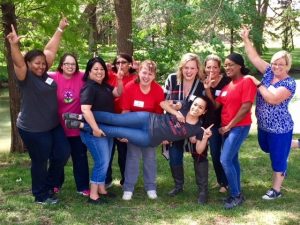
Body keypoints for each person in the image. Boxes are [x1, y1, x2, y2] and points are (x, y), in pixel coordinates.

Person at [6, 17, 70, 204]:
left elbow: (50, 50)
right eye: (36, 63)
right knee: (40, 161)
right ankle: (41, 195)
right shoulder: (25, 76)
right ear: (28, 64)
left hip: (52, 125)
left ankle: (50, 184)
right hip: (33, 129)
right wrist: (14, 45)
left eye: (43, 63)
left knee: (63, 152)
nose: (41, 66)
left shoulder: (44, 73)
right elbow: (18, 62)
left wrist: (59, 28)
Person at [241, 26, 296, 200]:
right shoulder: (268, 72)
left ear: (287, 66)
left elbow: (272, 99)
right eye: (274, 63)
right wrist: (245, 38)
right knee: (266, 148)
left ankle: (276, 190)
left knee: (278, 159)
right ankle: (295, 143)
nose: (277, 66)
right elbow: (254, 57)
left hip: (280, 127)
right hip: (263, 125)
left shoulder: (289, 83)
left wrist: (256, 83)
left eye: (281, 64)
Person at [64, 96, 213, 151]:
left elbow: (199, 150)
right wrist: (175, 112)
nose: (195, 108)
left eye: (200, 107)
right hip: (147, 119)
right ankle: (81, 116)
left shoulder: (197, 129)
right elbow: (163, 103)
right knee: (115, 119)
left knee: (116, 131)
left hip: (148, 138)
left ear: (204, 112)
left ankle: (82, 126)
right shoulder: (184, 105)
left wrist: (205, 137)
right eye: (195, 104)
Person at [205, 52, 256, 209]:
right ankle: (237, 191)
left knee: (225, 159)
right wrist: (207, 90)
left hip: (238, 127)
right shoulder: (228, 86)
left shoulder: (246, 82)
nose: (227, 68)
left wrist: (229, 126)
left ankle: (235, 195)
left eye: (230, 65)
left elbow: (246, 107)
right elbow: (215, 106)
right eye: (226, 65)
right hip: (226, 128)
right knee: (232, 160)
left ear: (240, 66)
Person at [79, 56, 123, 204]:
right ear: (89, 71)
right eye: (95, 69)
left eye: (101, 69)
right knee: (102, 161)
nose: (99, 71)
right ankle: (93, 195)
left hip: (107, 130)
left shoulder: (103, 85)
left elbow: (118, 93)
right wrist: (95, 129)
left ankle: (102, 189)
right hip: (94, 132)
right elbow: (85, 110)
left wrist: (120, 78)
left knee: (106, 159)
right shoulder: (89, 87)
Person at [120, 60, 164, 201]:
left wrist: (157, 134)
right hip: (133, 127)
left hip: (150, 128)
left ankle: (151, 187)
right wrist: (124, 132)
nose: (146, 76)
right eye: (144, 72)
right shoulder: (130, 87)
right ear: (139, 72)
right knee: (132, 157)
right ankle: (128, 188)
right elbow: (125, 111)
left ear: (154, 75)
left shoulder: (158, 90)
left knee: (150, 158)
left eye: (150, 74)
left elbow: (159, 115)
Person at [163, 53, 206, 198]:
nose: (189, 71)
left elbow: (202, 108)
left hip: (194, 126)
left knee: (199, 154)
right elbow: (164, 102)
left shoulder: (201, 84)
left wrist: (196, 130)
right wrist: (166, 128)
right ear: (181, 68)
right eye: (186, 68)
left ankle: (202, 189)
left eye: (192, 68)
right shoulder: (172, 79)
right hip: (174, 126)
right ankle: (178, 185)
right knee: (175, 154)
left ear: (197, 69)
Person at [50, 53, 90, 196]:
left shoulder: (82, 77)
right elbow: (36, 72)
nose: (70, 66)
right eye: (67, 64)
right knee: (58, 155)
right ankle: (55, 183)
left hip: (77, 126)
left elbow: (98, 73)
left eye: (73, 64)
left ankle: (83, 186)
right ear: (61, 65)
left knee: (80, 156)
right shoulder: (53, 77)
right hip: (58, 126)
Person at [106, 53, 137, 188]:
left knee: (125, 153)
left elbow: (150, 78)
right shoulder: (109, 76)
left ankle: (127, 180)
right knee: (107, 151)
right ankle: (106, 179)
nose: (120, 65)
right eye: (117, 63)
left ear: (130, 64)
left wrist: (139, 67)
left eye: (123, 62)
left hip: (126, 120)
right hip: (109, 118)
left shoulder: (135, 78)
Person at [203, 54, 231, 193]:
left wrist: (208, 90)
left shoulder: (227, 81)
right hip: (210, 124)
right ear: (204, 67)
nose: (211, 70)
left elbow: (216, 106)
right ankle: (221, 181)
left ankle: (227, 182)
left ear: (219, 68)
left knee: (227, 154)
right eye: (208, 67)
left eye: (215, 67)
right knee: (214, 153)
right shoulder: (201, 81)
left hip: (226, 123)